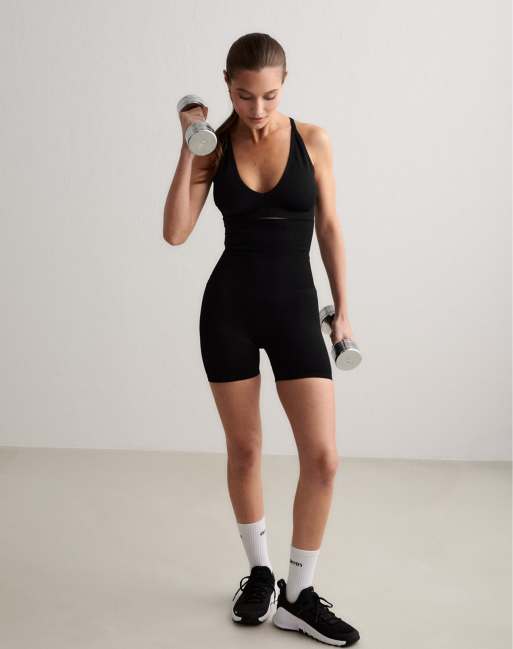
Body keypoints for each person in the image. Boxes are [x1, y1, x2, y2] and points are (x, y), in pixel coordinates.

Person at [163, 32, 360, 647]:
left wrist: (344, 309)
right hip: (230, 311)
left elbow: (329, 225)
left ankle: (299, 596)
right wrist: (189, 143)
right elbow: (175, 232)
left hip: (295, 310)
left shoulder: (312, 140)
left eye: (269, 95)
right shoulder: (215, 146)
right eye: (245, 95)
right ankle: (260, 573)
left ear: (284, 85)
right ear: (227, 86)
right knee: (245, 450)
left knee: (323, 459)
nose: (257, 108)